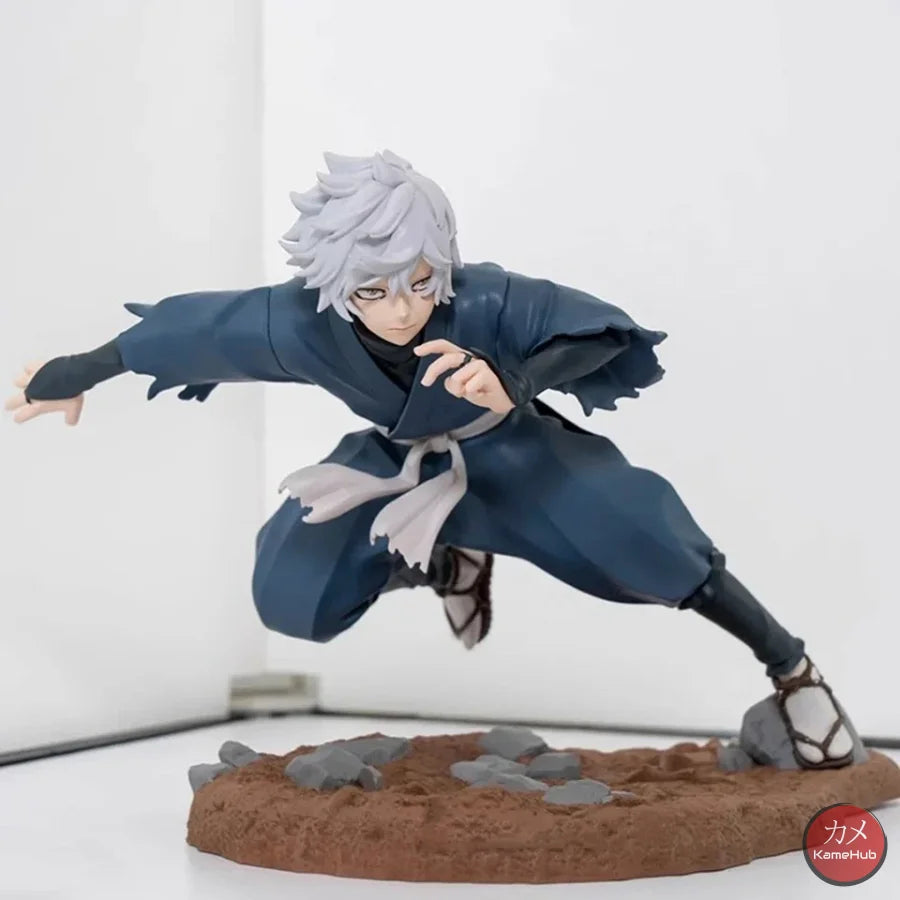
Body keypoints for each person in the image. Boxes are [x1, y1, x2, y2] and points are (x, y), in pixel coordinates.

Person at [5, 150, 855, 769]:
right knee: (292, 592)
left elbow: (601, 330)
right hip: (400, 469)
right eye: (373, 289)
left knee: (648, 543)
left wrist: (513, 379)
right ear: (335, 280)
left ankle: (794, 670)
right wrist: (71, 373)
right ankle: (446, 563)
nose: (403, 306)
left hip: (520, 459)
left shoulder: (483, 299)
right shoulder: (301, 322)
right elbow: (191, 329)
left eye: (418, 280)